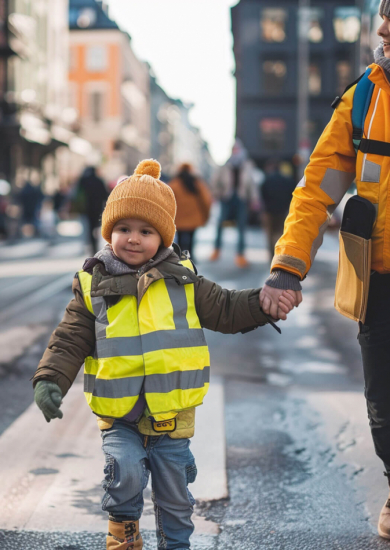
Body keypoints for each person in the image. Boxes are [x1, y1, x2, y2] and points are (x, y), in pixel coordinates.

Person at [32, 159, 295, 550]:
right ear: (109, 231)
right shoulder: (93, 282)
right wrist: (51, 378)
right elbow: (70, 336)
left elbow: (225, 308)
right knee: (124, 474)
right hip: (119, 414)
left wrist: (261, 303)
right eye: (123, 229)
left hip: (172, 415)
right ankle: (124, 535)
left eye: (145, 231)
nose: (132, 239)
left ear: (165, 237)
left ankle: (176, 544)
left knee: (175, 497)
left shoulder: (183, 279)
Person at [260, 1, 390, 539]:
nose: (382, 27)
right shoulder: (365, 96)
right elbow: (317, 189)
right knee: (384, 393)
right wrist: (288, 266)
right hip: (381, 279)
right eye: (383, 14)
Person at [210, 139, 257, 268]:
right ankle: (216, 250)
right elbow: (215, 181)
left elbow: (252, 184)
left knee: (242, 227)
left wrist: (254, 199)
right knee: (220, 224)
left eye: (237, 149)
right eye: (233, 149)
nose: (235, 152)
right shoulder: (225, 165)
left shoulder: (247, 165)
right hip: (227, 197)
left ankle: (240, 255)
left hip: (241, 198)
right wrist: (216, 194)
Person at [169, 163, 212, 261]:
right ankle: (190, 256)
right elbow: (206, 200)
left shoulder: (174, 184)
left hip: (179, 217)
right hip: (194, 217)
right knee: (192, 237)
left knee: (179, 238)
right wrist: (206, 215)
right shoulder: (197, 184)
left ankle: (179, 256)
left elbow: (167, 199)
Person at [260, 160, 296, 260]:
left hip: (269, 211)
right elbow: (292, 194)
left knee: (270, 234)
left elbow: (263, 194)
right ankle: (279, 255)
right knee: (280, 233)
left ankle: (272, 255)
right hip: (282, 211)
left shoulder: (267, 180)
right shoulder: (287, 181)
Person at [75, 166, 109, 254]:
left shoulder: (82, 181)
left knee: (88, 228)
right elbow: (105, 195)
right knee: (95, 227)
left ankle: (90, 244)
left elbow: (76, 194)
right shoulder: (98, 181)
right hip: (97, 209)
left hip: (85, 209)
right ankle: (95, 244)